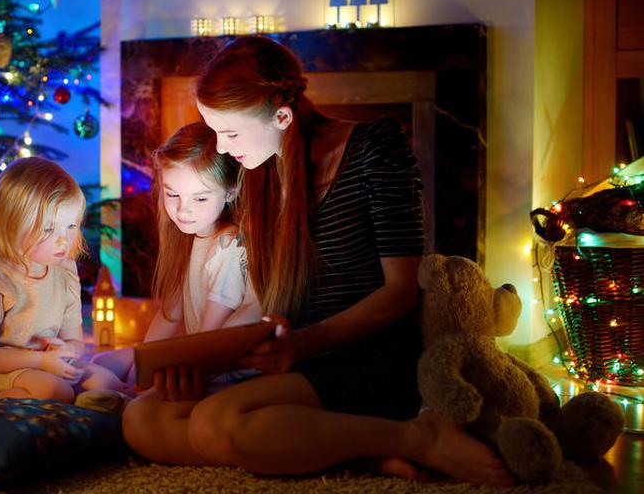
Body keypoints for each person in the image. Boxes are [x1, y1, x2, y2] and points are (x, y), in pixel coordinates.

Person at [122, 36, 514, 487]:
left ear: (282, 116)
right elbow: (265, 301)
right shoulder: (260, 172)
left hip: (365, 354)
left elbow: (400, 292)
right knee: (143, 419)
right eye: (215, 134)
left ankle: (417, 437)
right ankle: (350, 447)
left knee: (214, 423)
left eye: (229, 133)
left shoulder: (375, 149)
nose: (224, 149)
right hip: (293, 357)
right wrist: (207, 361)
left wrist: (302, 345)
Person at [92, 122, 262, 393]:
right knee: (102, 362)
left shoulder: (228, 247)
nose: (183, 210)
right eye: (173, 195)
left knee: (138, 396)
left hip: (220, 371)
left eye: (200, 199)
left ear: (231, 192)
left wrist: (143, 388)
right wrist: (139, 375)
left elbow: (209, 340)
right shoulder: (189, 237)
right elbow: (170, 316)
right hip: (195, 351)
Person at [0, 157, 124, 401]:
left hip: (47, 365)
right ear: (12, 226)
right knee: (55, 391)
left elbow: (74, 340)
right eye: (48, 229)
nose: (63, 239)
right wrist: (40, 361)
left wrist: (67, 352)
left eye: (70, 226)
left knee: (107, 382)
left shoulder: (64, 273)